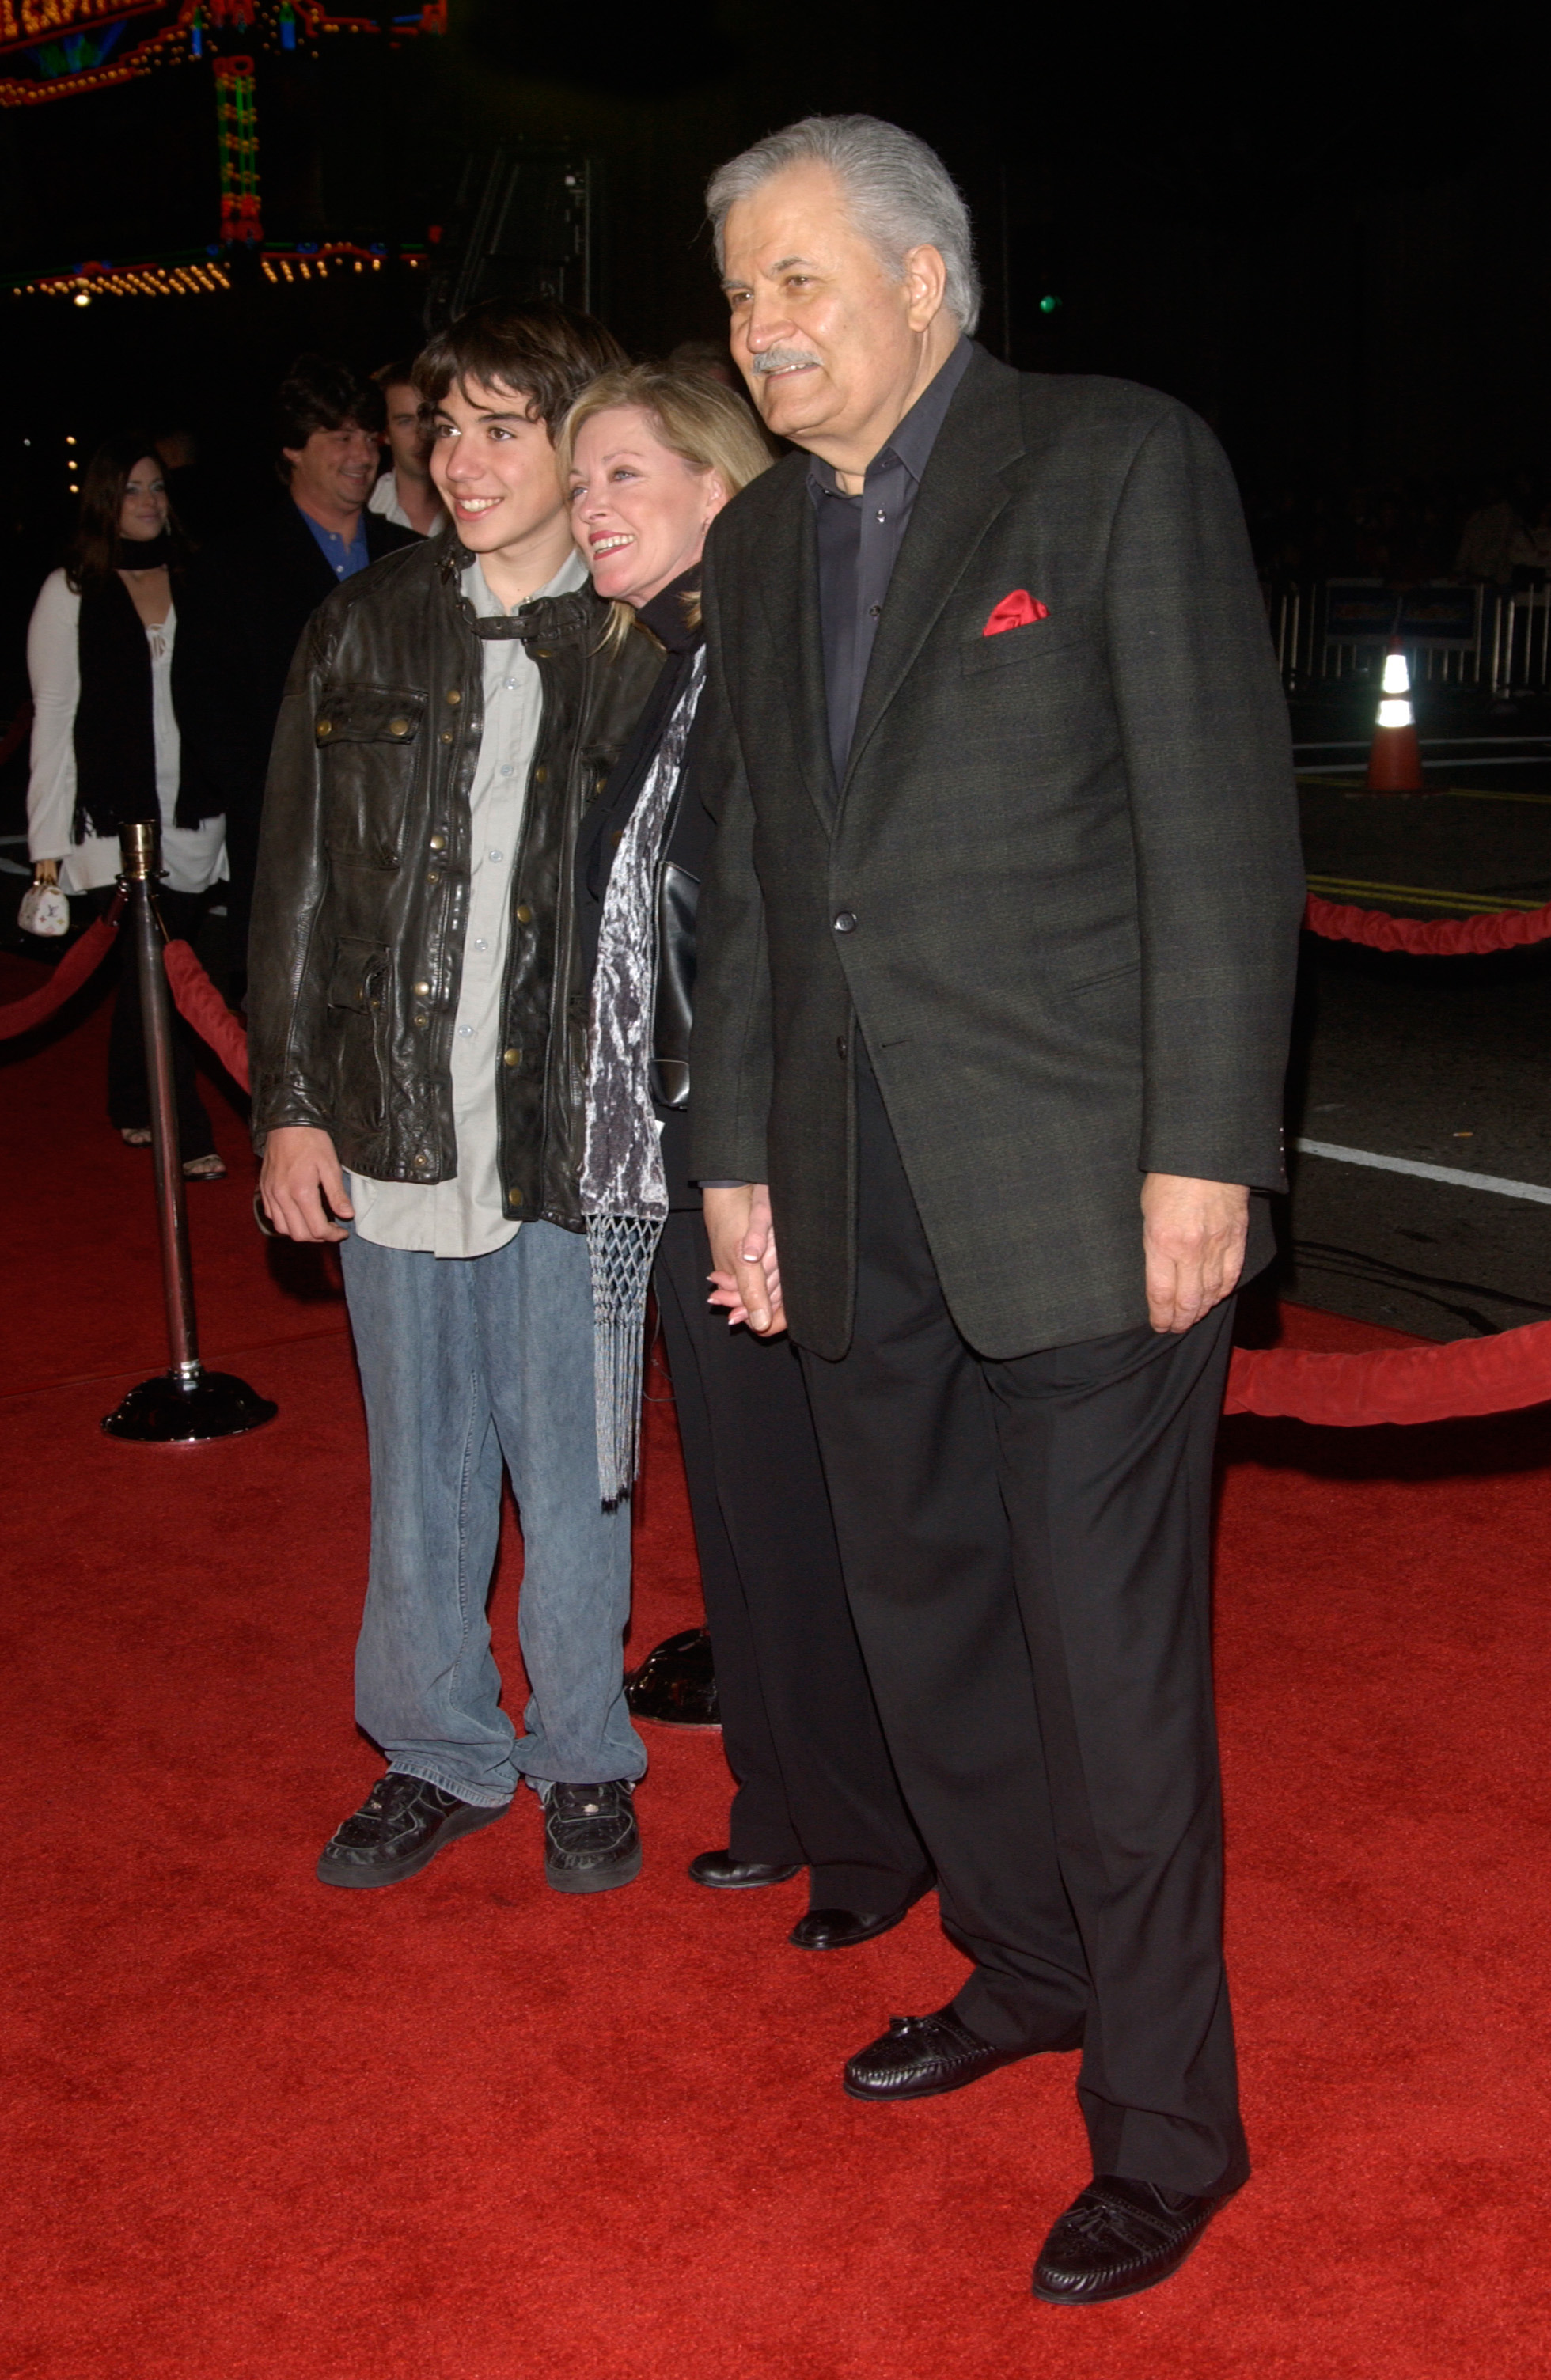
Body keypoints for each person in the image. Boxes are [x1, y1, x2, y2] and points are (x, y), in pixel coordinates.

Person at [690, 116, 1305, 2306]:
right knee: (927, 1625)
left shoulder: (1118, 464)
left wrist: (1208, 1151)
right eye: (739, 292)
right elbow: (765, 883)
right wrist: (740, 1163)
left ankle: (1167, 2122)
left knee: (1111, 1669)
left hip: (1083, 1186)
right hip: (854, 1193)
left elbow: (1223, 834)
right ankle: (1022, 1963)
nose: (758, 327)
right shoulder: (758, 550)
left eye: (796, 280)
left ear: (927, 280)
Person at [248, 300, 663, 1897]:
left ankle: (580, 1753)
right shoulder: (361, 625)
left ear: (576, 443)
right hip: (390, 1109)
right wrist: (290, 1102)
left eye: (505, 429)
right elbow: (289, 888)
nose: (462, 460)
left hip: (566, 1127)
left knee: (573, 1460)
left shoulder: (637, 633)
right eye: (447, 429)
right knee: (418, 1462)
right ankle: (437, 1747)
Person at [562, 366, 927, 1947]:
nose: (592, 509)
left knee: (807, 1511)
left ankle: (867, 1837)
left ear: (725, 486)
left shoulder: (761, 658)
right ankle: (779, 1802)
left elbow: (789, 933)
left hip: (764, 1159)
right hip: (674, 1155)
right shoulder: (661, 667)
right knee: (741, 1514)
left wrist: (754, 1174)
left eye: (624, 474)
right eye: (581, 481)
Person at [176, 357, 419, 1003]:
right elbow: (207, 706)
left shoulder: (411, 559)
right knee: (290, 1020)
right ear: (292, 449)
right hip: (287, 842)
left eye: (368, 436)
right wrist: (276, 805)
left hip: (397, 838)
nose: (361, 453)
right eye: (338, 436)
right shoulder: (233, 565)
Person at [25, 433, 228, 1179]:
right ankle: (188, 1127)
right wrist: (48, 841)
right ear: (104, 501)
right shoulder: (71, 590)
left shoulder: (198, 578)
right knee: (162, 953)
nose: (147, 503)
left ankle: (130, 1098)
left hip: (195, 806)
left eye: (156, 488)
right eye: (132, 490)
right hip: (115, 813)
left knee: (152, 961)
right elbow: (53, 715)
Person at [369, 361, 448, 536]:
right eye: (406, 422)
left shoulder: (476, 505)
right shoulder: (366, 508)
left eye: (428, 419)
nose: (422, 433)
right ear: (386, 433)